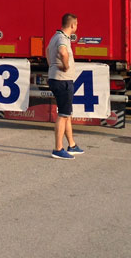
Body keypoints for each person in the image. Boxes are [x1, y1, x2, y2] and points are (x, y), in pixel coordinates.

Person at [47, 13, 84, 160]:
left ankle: (72, 145)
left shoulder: (55, 36)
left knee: (67, 113)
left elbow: (47, 51)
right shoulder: (62, 39)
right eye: (77, 24)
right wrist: (66, 66)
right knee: (63, 115)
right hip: (63, 80)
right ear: (72, 25)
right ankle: (58, 148)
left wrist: (51, 65)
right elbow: (63, 52)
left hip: (57, 79)